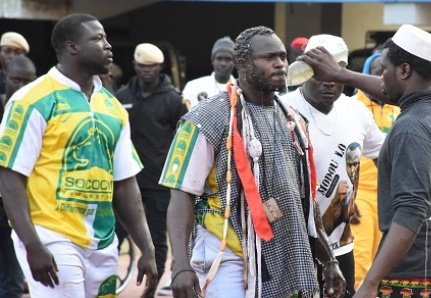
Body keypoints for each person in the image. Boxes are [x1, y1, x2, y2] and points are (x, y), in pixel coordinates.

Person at [160, 26, 346, 298]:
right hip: (227, 256)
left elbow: (304, 200)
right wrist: (179, 265)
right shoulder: (206, 118)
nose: (280, 63)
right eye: (269, 57)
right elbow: (181, 193)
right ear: (243, 64)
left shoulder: (293, 120)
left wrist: (329, 260)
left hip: (283, 257)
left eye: (283, 56)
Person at [297, 24, 431, 298]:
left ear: (404, 71)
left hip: (419, 268)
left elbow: (411, 212)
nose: (380, 78)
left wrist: (371, 281)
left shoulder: (410, 127)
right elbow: (388, 89)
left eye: (384, 70)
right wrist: (340, 74)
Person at [0, 13, 158, 297]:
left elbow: (125, 185)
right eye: (98, 39)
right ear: (72, 47)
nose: (108, 45)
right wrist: (33, 244)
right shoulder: (32, 100)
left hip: (103, 243)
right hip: (51, 236)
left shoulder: (114, 108)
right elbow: (9, 175)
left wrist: (146, 247)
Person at [282, 34, 386, 296]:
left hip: (342, 247)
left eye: (336, 72)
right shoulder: (281, 110)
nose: (329, 81)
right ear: (305, 71)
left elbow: (384, 158)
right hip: (291, 247)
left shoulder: (357, 111)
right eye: (319, 72)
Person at [115, 42, 189, 297]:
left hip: (159, 182)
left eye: (152, 67)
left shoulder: (173, 100)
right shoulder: (121, 97)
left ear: (160, 67)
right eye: (142, 66)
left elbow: (183, 140)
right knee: (113, 235)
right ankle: (106, 283)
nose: (147, 71)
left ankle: (150, 291)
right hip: (125, 181)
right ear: (135, 66)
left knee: (157, 239)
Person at [348, 51, 400, 289]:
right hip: (360, 196)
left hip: (388, 197)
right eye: (377, 71)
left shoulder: (398, 109)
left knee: (385, 264)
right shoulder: (352, 108)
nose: (381, 77)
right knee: (360, 260)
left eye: (385, 71)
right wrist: (347, 198)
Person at [0, 55, 36, 298]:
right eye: (15, 80)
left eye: (27, 81)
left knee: (13, 275)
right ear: (6, 79)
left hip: (20, 202)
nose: (20, 86)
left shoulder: (39, 110)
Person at [182, 36, 236, 108]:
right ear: (212, 60)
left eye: (228, 59)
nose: (223, 63)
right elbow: (185, 117)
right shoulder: (193, 86)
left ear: (235, 63)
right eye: (219, 59)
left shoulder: (241, 90)